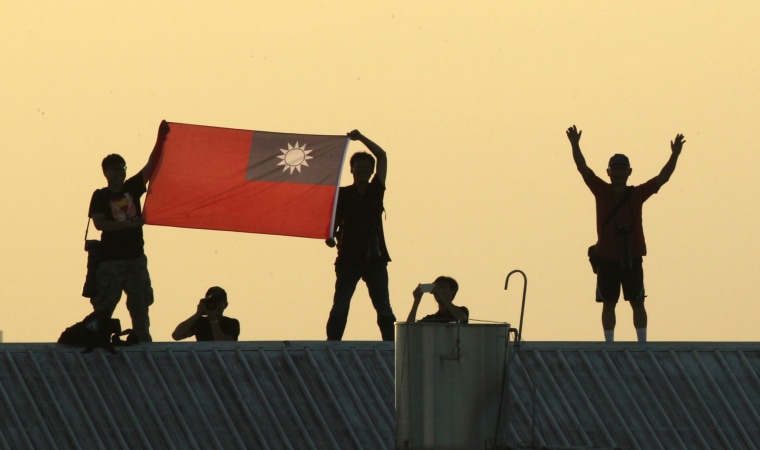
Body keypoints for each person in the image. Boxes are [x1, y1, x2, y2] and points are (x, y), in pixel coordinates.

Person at [566, 124, 685, 343]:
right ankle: (609, 344)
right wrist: (575, 145)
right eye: (615, 169)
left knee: (637, 301)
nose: (618, 173)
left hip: (631, 257)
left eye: (622, 169)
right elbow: (583, 168)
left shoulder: (637, 194)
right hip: (607, 257)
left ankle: (642, 344)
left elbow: (663, 177)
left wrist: (674, 155)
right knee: (609, 302)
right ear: (609, 172)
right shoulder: (601, 191)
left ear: (629, 172)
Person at [88, 121, 169, 343]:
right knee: (105, 304)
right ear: (105, 172)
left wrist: (161, 140)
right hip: (111, 260)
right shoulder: (101, 196)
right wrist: (130, 225)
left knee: (140, 302)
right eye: (114, 169)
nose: (118, 173)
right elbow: (100, 224)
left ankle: (142, 339)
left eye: (122, 168)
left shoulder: (132, 187)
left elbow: (151, 166)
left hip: (135, 258)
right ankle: (98, 338)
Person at [325, 129, 396, 341]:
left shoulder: (376, 190)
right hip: (348, 257)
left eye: (367, 168)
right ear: (352, 170)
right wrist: (329, 236)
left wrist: (361, 137)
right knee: (340, 304)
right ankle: (333, 344)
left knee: (383, 305)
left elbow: (382, 156)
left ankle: (391, 346)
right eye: (359, 167)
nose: (362, 171)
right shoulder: (343, 194)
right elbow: (334, 222)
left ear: (372, 171)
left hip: (375, 257)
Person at [172, 286, 240, 341]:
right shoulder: (200, 323)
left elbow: (223, 343)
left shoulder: (232, 323)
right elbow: (176, 335)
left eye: (219, 302)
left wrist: (213, 319)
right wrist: (197, 314)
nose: (216, 305)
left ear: (225, 305)